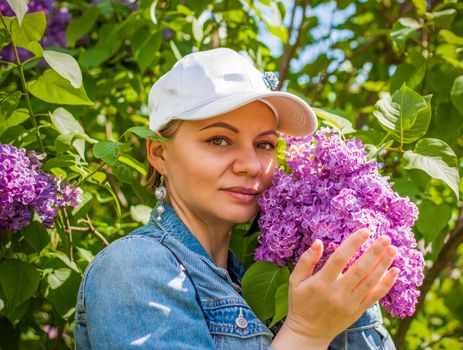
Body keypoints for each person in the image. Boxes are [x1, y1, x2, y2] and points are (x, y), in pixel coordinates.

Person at [74, 47, 399, 349]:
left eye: (265, 144)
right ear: (160, 154)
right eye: (219, 140)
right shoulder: (134, 267)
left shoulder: (264, 282)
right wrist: (306, 332)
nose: (251, 165)